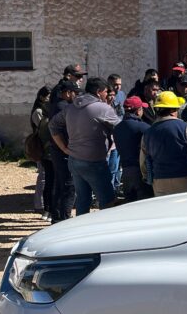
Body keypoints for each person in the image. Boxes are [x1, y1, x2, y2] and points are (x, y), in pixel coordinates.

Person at [50, 77, 121, 216]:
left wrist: (64, 148)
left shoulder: (71, 107)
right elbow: (120, 128)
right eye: (106, 92)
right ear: (99, 92)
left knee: (83, 199)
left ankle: (82, 227)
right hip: (94, 161)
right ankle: (108, 227)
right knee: (107, 200)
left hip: (74, 159)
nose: (107, 95)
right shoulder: (102, 108)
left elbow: (53, 125)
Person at [141, 91, 187, 195]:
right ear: (173, 110)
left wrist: (146, 176)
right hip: (186, 178)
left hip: (160, 181)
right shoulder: (185, 128)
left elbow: (143, 161)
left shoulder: (147, 133)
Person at [45, 80, 80, 221]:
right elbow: (63, 130)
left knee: (60, 185)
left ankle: (57, 217)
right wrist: (66, 148)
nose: (77, 96)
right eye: (75, 93)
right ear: (68, 93)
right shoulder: (64, 108)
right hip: (63, 151)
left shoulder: (57, 105)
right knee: (68, 186)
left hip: (58, 150)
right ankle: (64, 219)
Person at [112, 96, 152, 201]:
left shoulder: (117, 128)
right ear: (138, 111)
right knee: (145, 202)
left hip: (126, 172)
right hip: (141, 172)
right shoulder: (143, 127)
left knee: (130, 203)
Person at [29, 87, 52, 217]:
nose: (49, 99)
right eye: (48, 96)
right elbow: (43, 129)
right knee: (43, 176)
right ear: (42, 97)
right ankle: (39, 204)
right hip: (42, 146)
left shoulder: (46, 110)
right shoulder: (38, 112)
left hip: (46, 146)